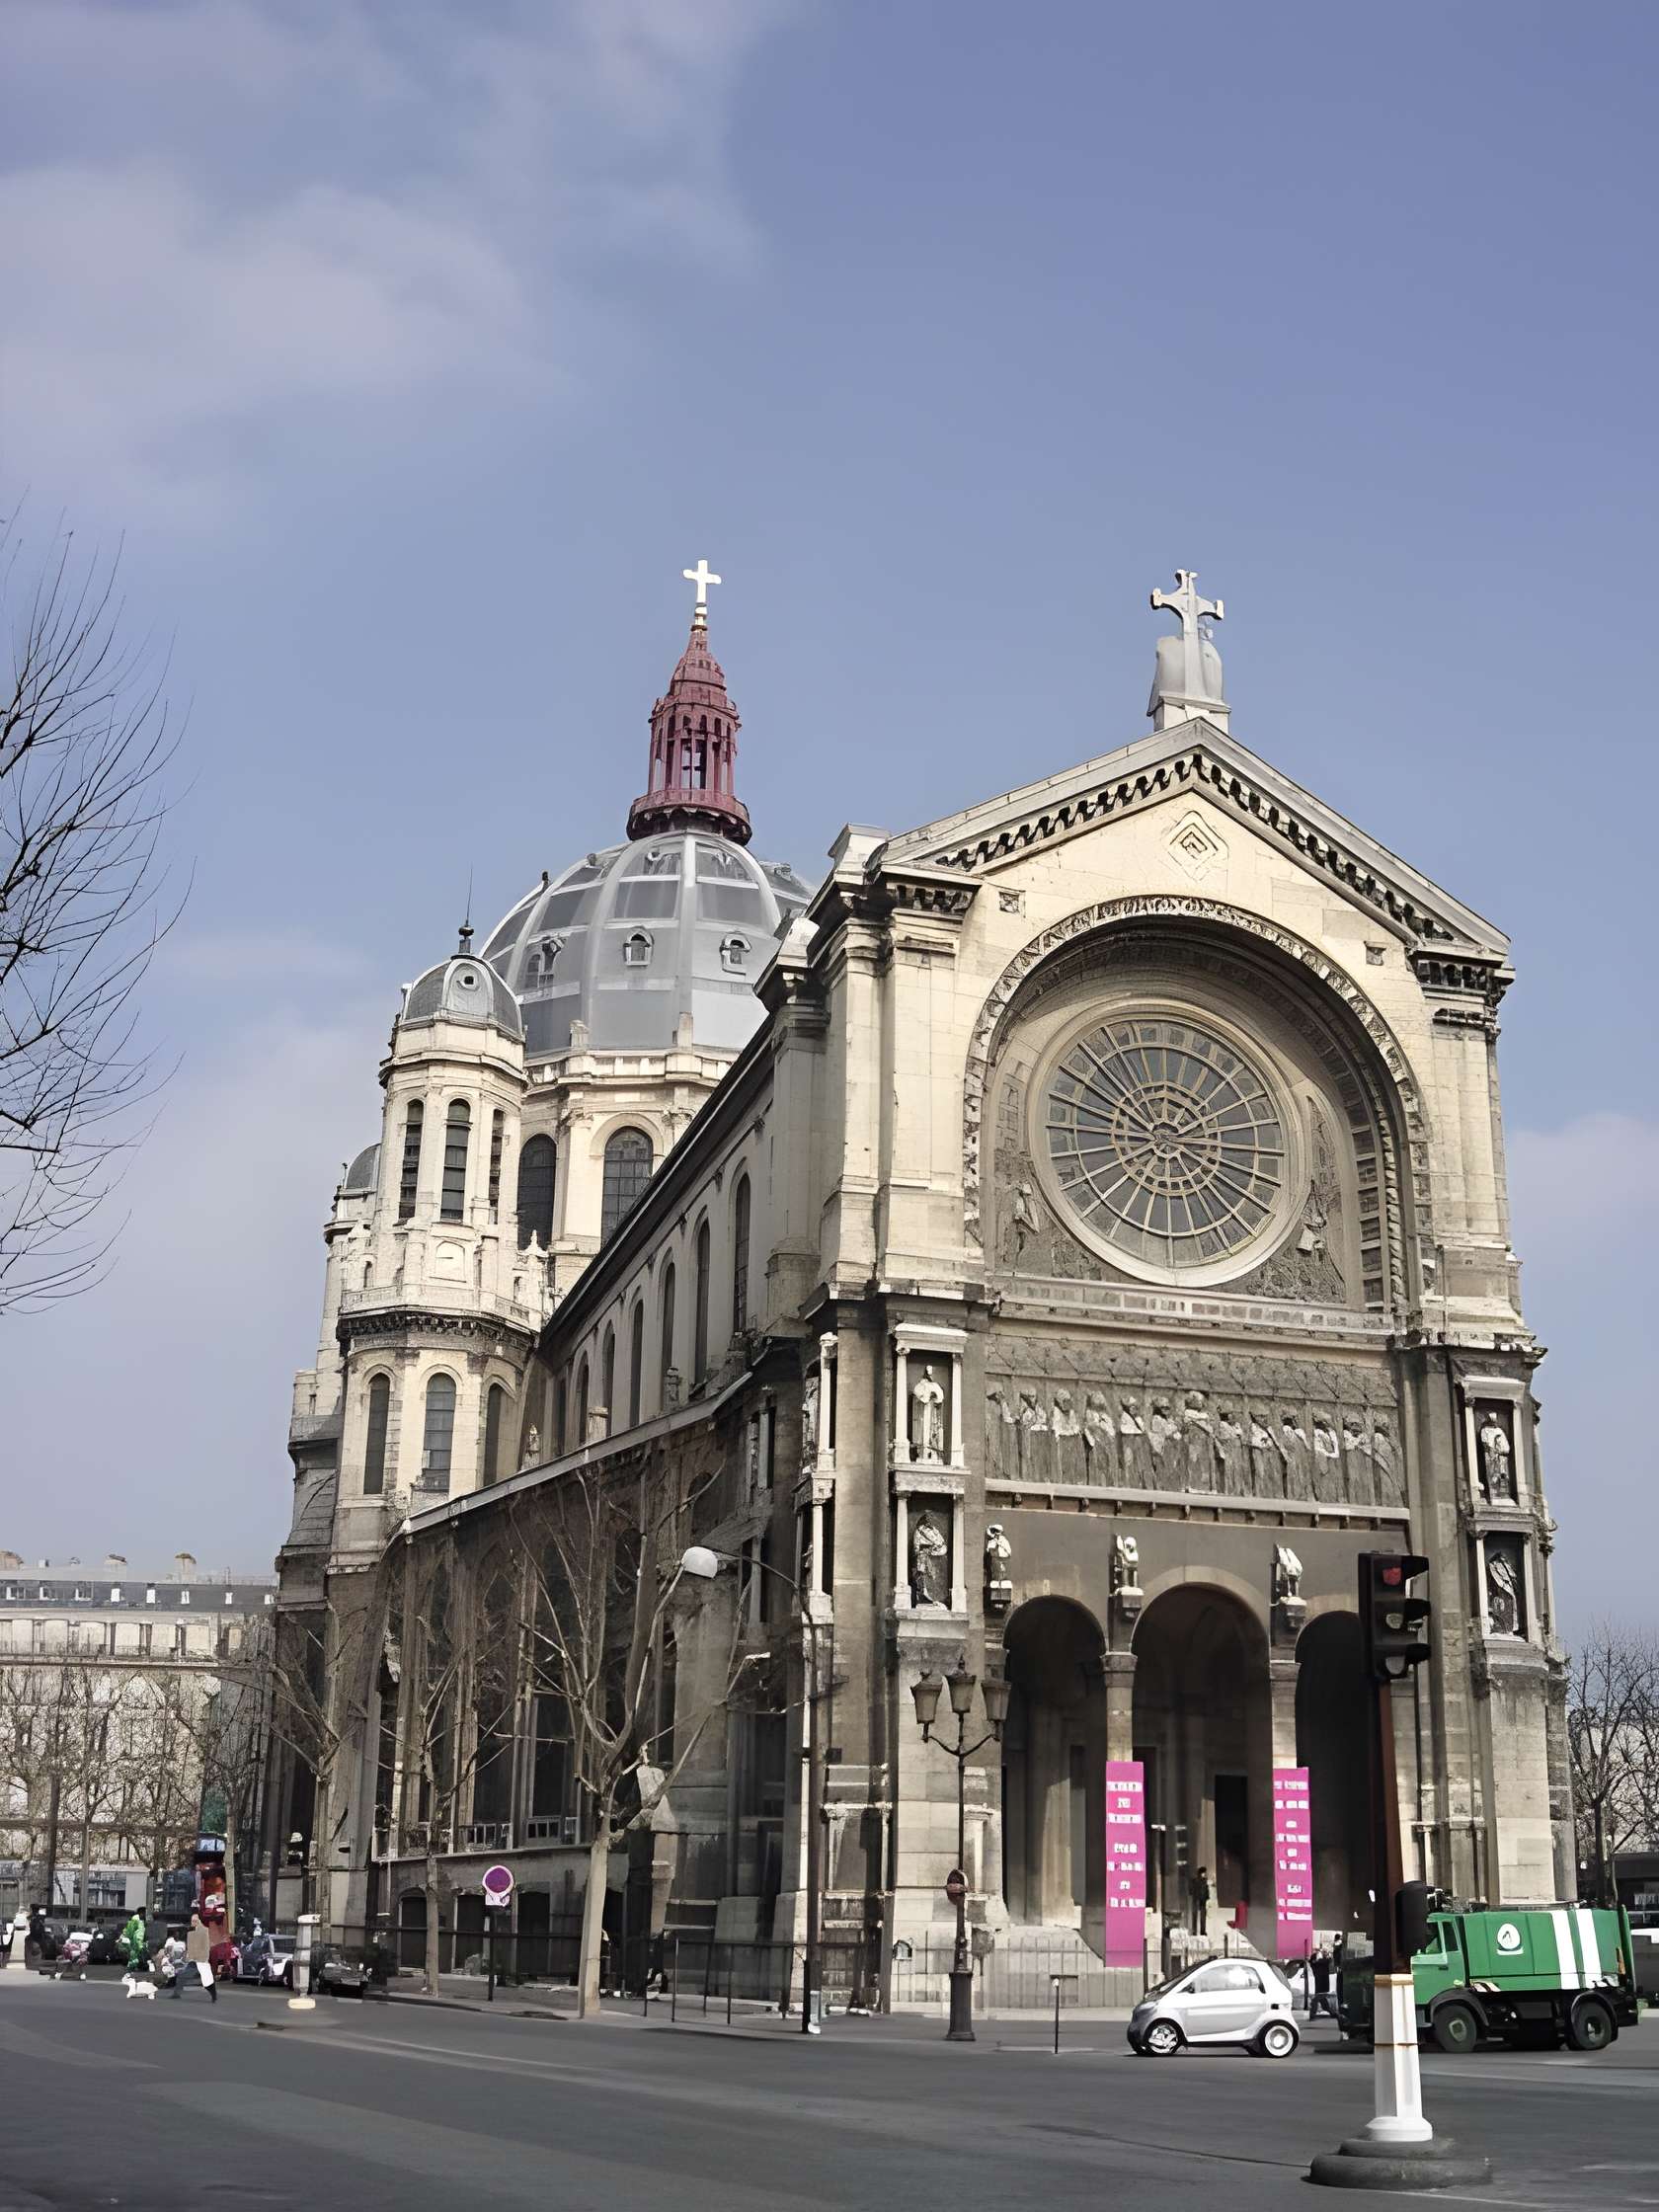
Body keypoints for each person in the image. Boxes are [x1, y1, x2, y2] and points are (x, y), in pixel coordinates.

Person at [171, 1911, 217, 2003]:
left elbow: (205, 1947)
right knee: (182, 1976)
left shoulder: (203, 1932)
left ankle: (213, 1995)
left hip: (201, 1960)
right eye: (192, 1920)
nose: (193, 1922)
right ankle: (176, 1993)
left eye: (195, 1920)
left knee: (206, 1980)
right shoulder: (193, 1932)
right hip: (194, 1961)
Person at [1309, 1946, 1336, 2019]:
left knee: (1321, 1998)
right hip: (1320, 1982)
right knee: (1319, 1998)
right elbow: (1313, 1962)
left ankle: (1331, 2012)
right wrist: (1318, 1957)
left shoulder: (1324, 1959)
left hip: (1322, 1982)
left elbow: (1327, 1961)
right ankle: (1312, 2014)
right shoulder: (1318, 1959)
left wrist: (1318, 1959)